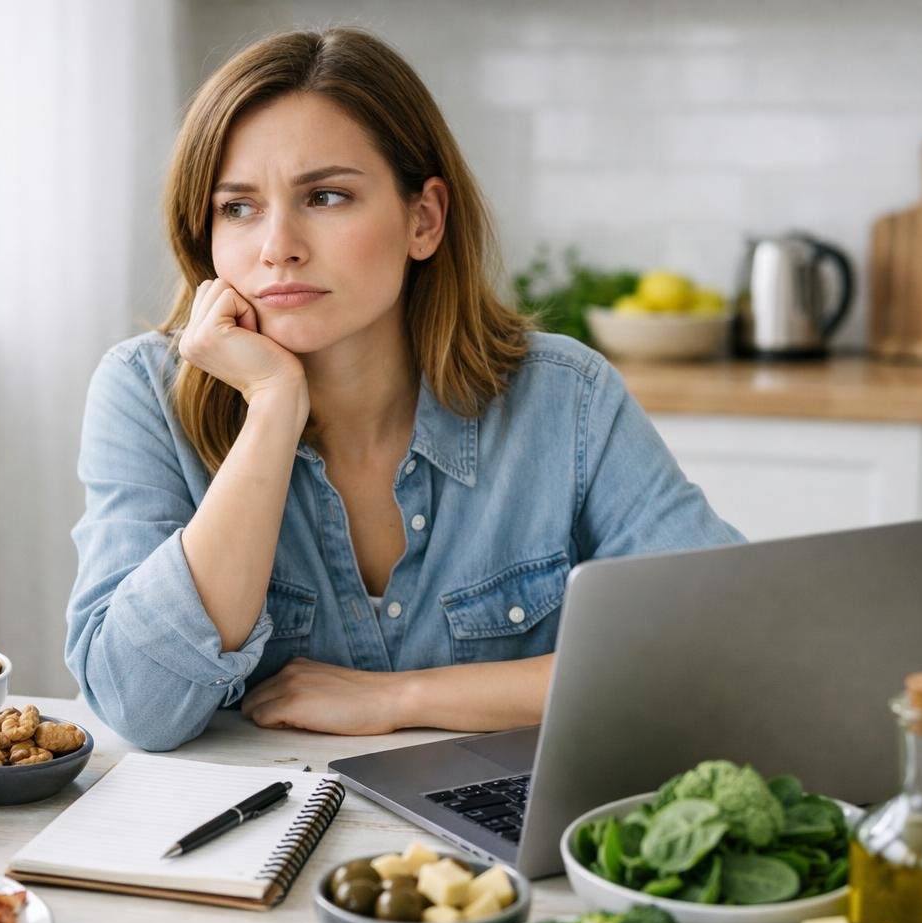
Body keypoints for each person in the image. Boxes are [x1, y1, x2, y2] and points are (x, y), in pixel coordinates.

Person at [65, 27, 743, 752]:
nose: (277, 246)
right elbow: (140, 704)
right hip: (246, 840)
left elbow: (717, 647)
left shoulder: (566, 400)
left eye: (325, 196)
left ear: (423, 220)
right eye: (238, 207)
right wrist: (272, 410)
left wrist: (402, 698)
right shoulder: (143, 393)